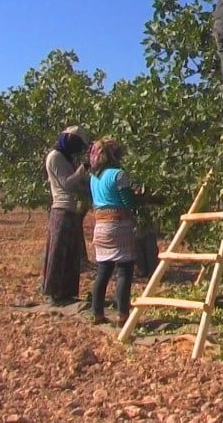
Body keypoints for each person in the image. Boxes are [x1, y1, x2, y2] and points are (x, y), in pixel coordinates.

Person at [88, 138, 138, 326]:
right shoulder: (119, 175)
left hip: (100, 227)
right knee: (124, 270)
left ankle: (97, 312)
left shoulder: (94, 177)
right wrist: (138, 197)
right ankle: (122, 314)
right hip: (118, 226)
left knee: (103, 270)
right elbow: (128, 202)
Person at [42, 125, 90, 306]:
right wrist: (82, 169)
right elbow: (67, 184)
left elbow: (77, 185)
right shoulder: (55, 157)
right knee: (58, 252)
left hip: (70, 210)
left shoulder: (66, 158)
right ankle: (55, 293)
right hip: (61, 210)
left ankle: (67, 292)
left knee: (71, 252)